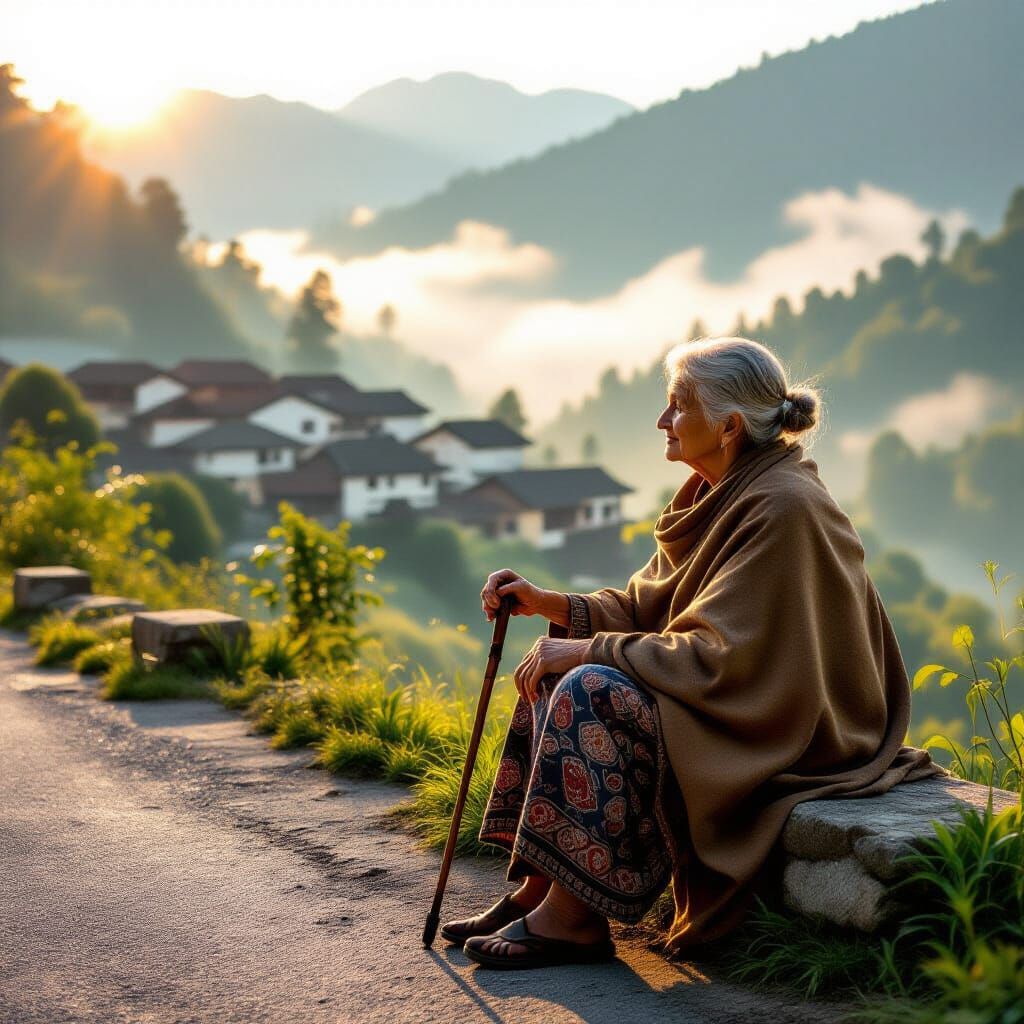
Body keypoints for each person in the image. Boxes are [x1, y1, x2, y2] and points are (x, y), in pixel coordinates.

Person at [442, 336, 947, 970]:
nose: (661, 421)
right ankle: (543, 889)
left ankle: (573, 922)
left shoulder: (785, 507)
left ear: (729, 425)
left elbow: (719, 657)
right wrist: (545, 604)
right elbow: (646, 609)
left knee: (589, 686)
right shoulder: (714, 491)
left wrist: (586, 652)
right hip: (727, 691)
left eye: (678, 406)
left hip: (784, 723)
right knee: (557, 667)